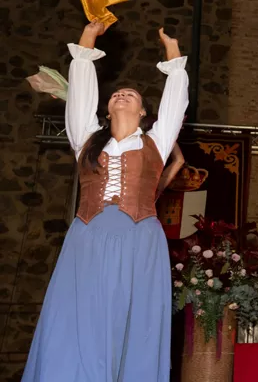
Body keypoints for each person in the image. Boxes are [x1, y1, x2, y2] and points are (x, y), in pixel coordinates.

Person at [23, 21, 188, 382]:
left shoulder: (156, 143)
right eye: (116, 94)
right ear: (107, 108)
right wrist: (86, 43)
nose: (122, 95)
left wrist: (173, 53)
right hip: (88, 238)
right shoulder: (86, 140)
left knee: (132, 323)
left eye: (131, 94)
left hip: (138, 239)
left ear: (145, 112)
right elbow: (81, 98)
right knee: (80, 320)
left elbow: (176, 100)